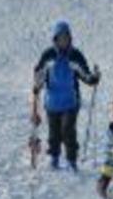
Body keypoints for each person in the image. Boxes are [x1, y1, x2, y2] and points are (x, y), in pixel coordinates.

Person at [32, 21, 100, 171]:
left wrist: (93, 78)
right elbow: (40, 74)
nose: (64, 40)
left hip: (70, 102)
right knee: (54, 132)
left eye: (66, 37)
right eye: (60, 37)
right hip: (52, 102)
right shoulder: (48, 55)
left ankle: (71, 160)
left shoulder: (75, 56)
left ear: (70, 38)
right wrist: (37, 84)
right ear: (55, 39)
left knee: (68, 130)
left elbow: (84, 74)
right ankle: (54, 157)